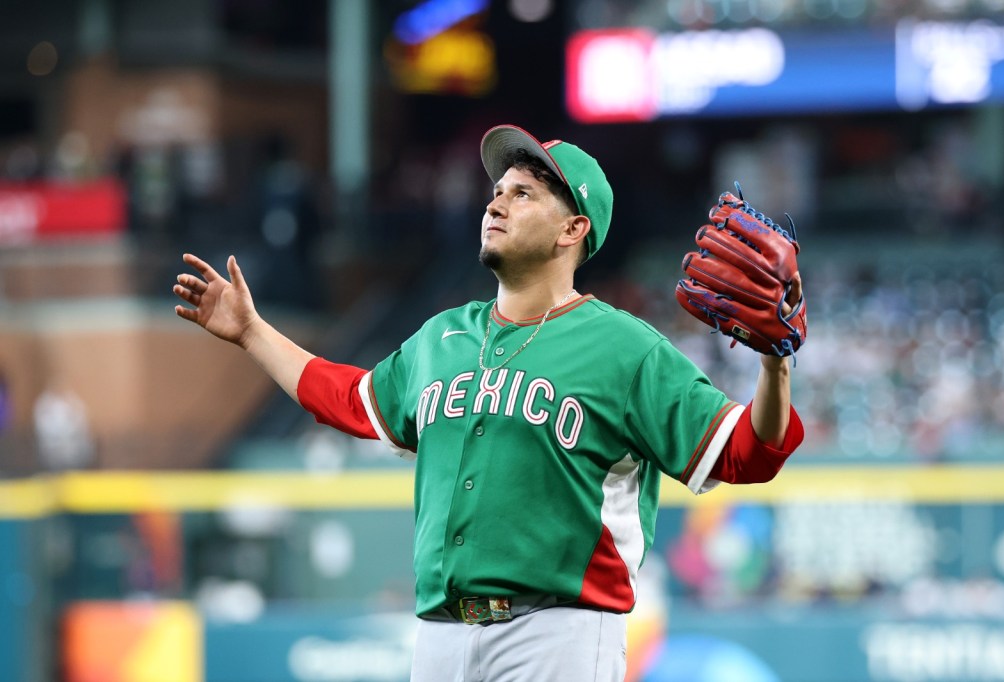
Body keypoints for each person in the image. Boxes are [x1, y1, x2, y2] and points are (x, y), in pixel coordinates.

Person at [173, 124, 804, 681]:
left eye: (524, 192)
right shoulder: (443, 337)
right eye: (498, 189)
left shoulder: (625, 348)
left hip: (558, 633)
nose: (497, 201)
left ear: (573, 228)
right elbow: (348, 399)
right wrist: (253, 333)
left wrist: (775, 363)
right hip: (442, 635)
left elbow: (748, 453)